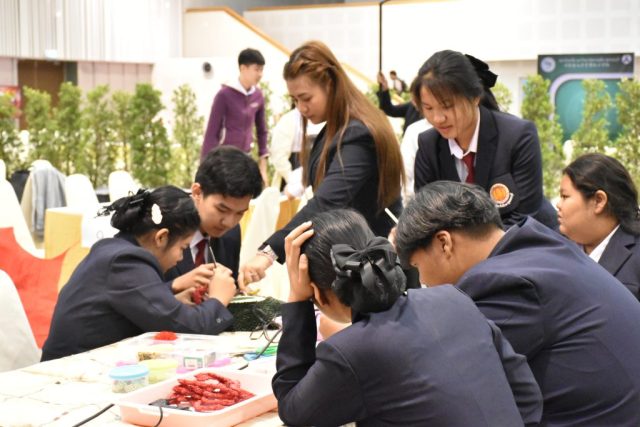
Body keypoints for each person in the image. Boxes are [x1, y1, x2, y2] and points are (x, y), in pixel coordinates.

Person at [395, 181, 640, 425]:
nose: (423, 281)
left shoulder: (502, 283)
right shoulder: (539, 245)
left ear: (444, 243)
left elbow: (446, 378)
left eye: (417, 267)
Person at [273, 209, 542, 426]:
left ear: (317, 293)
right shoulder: (452, 299)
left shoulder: (350, 351)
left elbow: (294, 409)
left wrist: (297, 301)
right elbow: (525, 391)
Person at [238, 41, 405, 288]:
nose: (301, 108)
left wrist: (268, 253)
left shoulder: (357, 133)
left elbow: (327, 202)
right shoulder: (336, 129)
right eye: (295, 100)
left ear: (330, 84)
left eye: (306, 98)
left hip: (374, 272)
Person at [41, 187, 237, 361]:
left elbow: (133, 302)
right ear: (161, 237)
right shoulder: (126, 262)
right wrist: (218, 299)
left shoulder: (116, 250)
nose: (180, 258)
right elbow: (190, 328)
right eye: (183, 248)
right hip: (67, 372)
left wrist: (172, 292)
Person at [412, 50, 557, 230]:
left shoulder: (518, 136)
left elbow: (524, 218)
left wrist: (470, 246)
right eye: (428, 108)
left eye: (447, 106)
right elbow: (426, 216)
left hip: (526, 242)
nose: (438, 118)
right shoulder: (428, 146)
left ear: (475, 97)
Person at [165, 146, 263, 286]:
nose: (229, 223)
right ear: (197, 192)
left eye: (240, 213)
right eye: (222, 209)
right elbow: (140, 293)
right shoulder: (162, 228)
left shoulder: (232, 234)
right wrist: (178, 285)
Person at [557, 153, 640, 300]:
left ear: (599, 201)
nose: (558, 205)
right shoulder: (555, 247)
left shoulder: (636, 256)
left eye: (565, 196)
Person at [201, 48, 269, 185]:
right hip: (224, 159)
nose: (260, 74)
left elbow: (262, 131)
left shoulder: (258, 95)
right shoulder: (224, 95)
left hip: (245, 157)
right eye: (257, 69)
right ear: (243, 68)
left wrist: (263, 166)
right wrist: (205, 167)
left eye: (262, 70)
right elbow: (212, 132)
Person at [376, 71, 421, 135]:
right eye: (412, 95)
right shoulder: (411, 106)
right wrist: (385, 90)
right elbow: (389, 109)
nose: (413, 99)